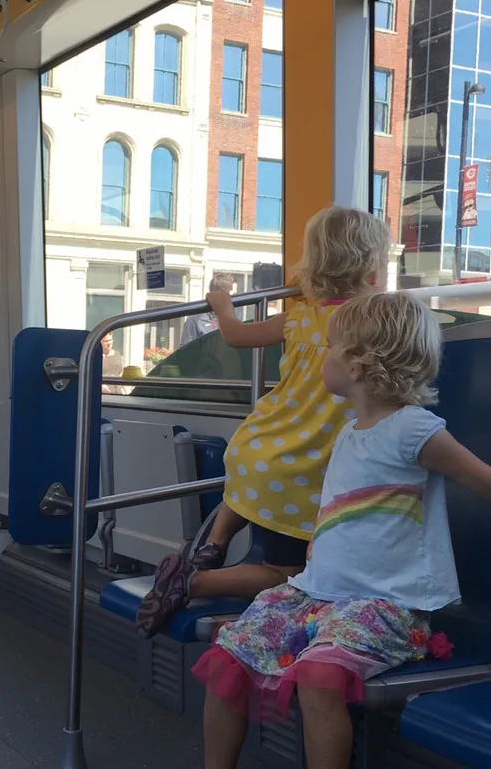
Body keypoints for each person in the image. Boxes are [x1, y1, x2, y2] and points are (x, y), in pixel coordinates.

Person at [192, 292, 491, 769]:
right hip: (319, 592)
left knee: (319, 678)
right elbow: (342, 504)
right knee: (229, 655)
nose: (325, 358)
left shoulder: (413, 429)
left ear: (357, 364)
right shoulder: (349, 429)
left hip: (386, 604)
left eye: (330, 348)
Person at [136, 206, 392, 638]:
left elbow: (234, 334)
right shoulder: (374, 326)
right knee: (285, 570)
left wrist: (221, 304)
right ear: (371, 273)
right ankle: (192, 581)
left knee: (245, 484)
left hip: (260, 440)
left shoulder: (297, 320)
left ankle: (213, 545)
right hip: (303, 467)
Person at [181, 273, 236, 346]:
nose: (236, 300)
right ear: (222, 294)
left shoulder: (232, 320)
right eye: (234, 295)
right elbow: (185, 352)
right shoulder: (195, 320)